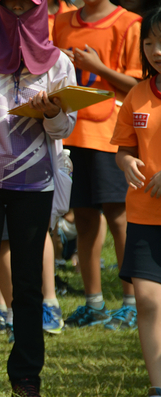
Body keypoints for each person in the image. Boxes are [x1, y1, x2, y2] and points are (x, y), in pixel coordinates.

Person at [0, 0, 77, 394]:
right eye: (8, 6)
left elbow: (65, 129)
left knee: (28, 284)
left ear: (40, 10)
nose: (16, 13)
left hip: (35, 184)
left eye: (25, 7)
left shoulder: (59, 62)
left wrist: (49, 114)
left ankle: (27, 374)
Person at [53, 0, 142, 330]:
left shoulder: (129, 24)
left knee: (119, 217)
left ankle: (131, 302)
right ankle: (94, 303)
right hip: (72, 135)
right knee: (85, 219)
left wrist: (99, 67)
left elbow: (137, 85)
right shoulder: (61, 21)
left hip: (109, 135)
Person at [111, 8, 161, 395]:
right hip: (144, 215)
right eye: (149, 43)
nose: (156, 51)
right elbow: (124, 148)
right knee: (147, 300)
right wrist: (126, 161)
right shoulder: (137, 93)